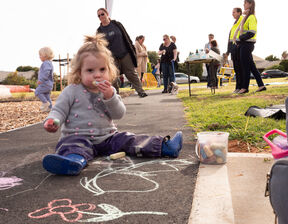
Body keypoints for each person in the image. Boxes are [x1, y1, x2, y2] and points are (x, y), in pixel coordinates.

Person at [41, 34, 183, 176]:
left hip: (107, 138)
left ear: (110, 70)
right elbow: (59, 110)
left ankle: (166, 147)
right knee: (72, 146)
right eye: (90, 71)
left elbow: (119, 114)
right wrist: (52, 121)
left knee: (130, 139)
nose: (97, 75)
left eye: (102, 70)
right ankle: (73, 161)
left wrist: (110, 97)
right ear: (79, 72)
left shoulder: (110, 90)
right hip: (78, 137)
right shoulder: (71, 91)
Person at [96, 8, 147, 98]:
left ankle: (141, 91)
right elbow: (99, 46)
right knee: (114, 78)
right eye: (99, 15)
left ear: (107, 14)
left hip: (124, 54)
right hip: (112, 58)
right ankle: (116, 97)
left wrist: (131, 49)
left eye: (102, 14)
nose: (101, 17)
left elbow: (126, 36)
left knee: (131, 74)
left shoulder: (117, 24)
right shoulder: (99, 31)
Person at [235, 0, 266, 94]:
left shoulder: (252, 17)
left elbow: (252, 32)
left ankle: (245, 88)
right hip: (244, 44)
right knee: (252, 67)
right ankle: (261, 85)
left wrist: (240, 38)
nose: (243, 4)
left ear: (250, 4)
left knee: (245, 67)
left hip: (247, 45)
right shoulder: (246, 17)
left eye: (245, 3)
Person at [225, 8, 243, 93]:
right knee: (236, 68)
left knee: (240, 68)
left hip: (238, 45)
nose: (232, 14)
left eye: (234, 12)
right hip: (233, 47)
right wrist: (228, 51)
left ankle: (241, 87)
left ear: (239, 13)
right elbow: (230, 38)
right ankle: (237, 87)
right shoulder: (234, 23)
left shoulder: (242, 20)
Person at [35, 47, 54, 112]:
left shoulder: (46, 63)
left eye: (40, 55)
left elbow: (46, 72)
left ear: (45, 55)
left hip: (45, 83)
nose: (39, 57)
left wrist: (41, 80)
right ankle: (50, 108)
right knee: (46, 95)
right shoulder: (49, 63)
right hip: (49, 84)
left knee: (38, 92)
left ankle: (45, 103)